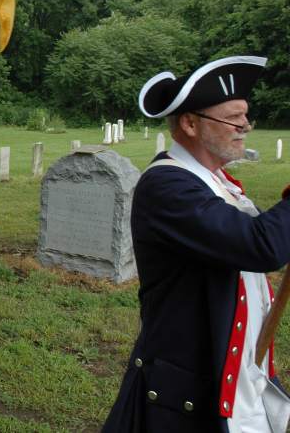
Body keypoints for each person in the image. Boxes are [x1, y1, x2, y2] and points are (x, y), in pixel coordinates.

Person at [103, 56, 290, 432]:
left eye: (245, 117)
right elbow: (260, 246)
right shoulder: (166, 187)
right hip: (190, 392)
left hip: (238, 377)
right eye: (233, 118)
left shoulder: (216, 182)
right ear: (189, 123)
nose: (245, 127)